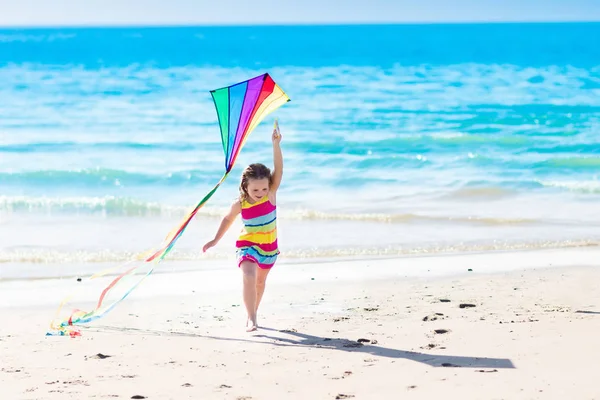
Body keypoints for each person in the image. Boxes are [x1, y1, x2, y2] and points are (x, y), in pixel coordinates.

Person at [202, 123, 283, 332]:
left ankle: (252, 311)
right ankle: (252, 318)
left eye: (264, 188)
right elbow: (228, 219)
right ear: (245, 186)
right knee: (248, 276)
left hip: (269, 247)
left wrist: (276, 144)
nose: (261, 192)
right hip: (247, 245)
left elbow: (279, 169)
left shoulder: (271, 195)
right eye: (256, 189)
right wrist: (214, 240)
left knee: (259, 283)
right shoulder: (240, 204)